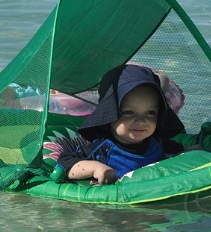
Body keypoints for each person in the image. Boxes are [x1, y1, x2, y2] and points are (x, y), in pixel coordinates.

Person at [56, 64, 194, 184]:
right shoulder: (102, 149)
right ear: (109, 115)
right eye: (128, 112)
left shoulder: (158, 143)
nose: (141, 121)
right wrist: (94, 168)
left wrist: (197, 149)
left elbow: (184, 149)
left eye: (150, 112)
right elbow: (64, 162)